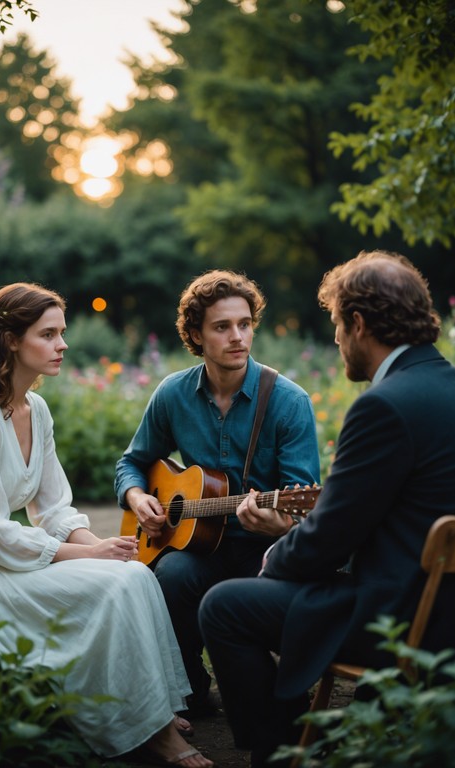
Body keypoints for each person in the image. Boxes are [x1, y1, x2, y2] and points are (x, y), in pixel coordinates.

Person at [199, 250, 455, 767]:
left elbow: (325, 540)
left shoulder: (384, 406)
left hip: (412, 621)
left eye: (339, 326)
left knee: (225, 606)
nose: (338, 340)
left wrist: (274, 557)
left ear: (360, 324)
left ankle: (282, 752)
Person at [0, 283, 212, 768]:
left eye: (62, 333)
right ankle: (149, 731)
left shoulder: (37, 410)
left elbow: (53, 511)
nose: (62, 344)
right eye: (48, 334)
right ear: (11, 341)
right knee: (109, 587)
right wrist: (90, 556)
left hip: (5, 552)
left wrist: (103, 546)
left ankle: (145, 708)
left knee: (133, 575)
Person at [115, 269, 321, 717]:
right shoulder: (173, 394)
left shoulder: (289, 402)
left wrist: (280, 522)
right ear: (195, 334)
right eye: (222, 326)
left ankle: (275, 696)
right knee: (168, 574)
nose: (238, 337)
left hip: (262, 549)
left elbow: (304, 510)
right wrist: (137, 498)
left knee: (274, 579)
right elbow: (131, 462)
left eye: (245, 324)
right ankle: (187, 685)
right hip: (199, 545)